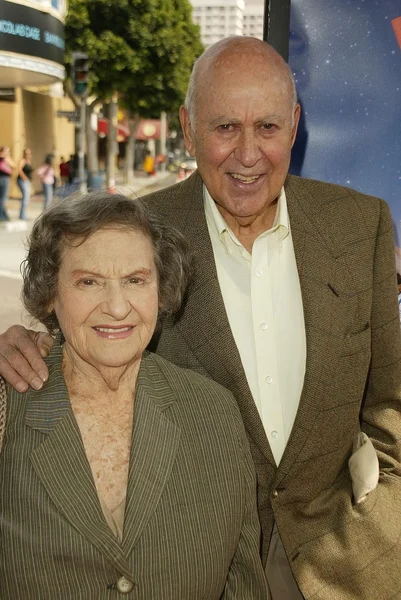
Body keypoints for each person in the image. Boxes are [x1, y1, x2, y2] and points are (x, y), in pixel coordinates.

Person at [1, 36, 400, 600]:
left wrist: (385, 514)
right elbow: (86, 335)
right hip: (193, 565)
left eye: (266, 127)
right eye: (224, 128)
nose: (247, 154)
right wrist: (18, 346)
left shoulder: (362, 226)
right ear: (188, 129)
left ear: (294, 125)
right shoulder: (137, 233)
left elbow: (391, 399)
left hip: (348, 558)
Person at [0, 191, 268, 599]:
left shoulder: (215, 412)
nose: (117, 306)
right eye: (89, 282)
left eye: (135, 280)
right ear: (50, 294)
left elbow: (243, 585)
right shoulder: (9, 407)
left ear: (160, 293)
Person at [16, 148, 33, 220]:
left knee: (27, 198)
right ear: (24, 154)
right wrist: (25, 178)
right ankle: (22, 215)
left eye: (29, 153)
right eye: (26, 153)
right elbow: (19, 169)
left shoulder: (29, 161)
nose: (28, 155)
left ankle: (23, 215)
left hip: (27, 181)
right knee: (25, 197)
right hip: (22, 180)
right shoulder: (22, 161)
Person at [0, 146, 16, 221]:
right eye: (7, 151)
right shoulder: (5, 159)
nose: (8, 153)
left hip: (4, 178)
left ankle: (4, 214)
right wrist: (7, 157)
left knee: (1, 198)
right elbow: (14, 166)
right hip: (4, 179)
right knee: (3, 198)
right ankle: (2, 216)